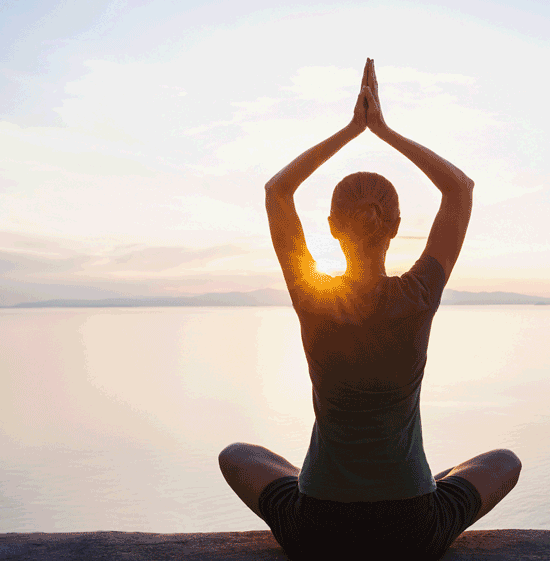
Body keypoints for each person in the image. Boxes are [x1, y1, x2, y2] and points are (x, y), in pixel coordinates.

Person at [219, 58, 521, 560]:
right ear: (397, 225)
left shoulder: (313, 297)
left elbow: (277, 192)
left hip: (319, 525)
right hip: (411, 527)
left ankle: (326, 483)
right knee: (503, 461)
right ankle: (424, 480)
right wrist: (384, 131)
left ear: (333, 227)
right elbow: (460, 190)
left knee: (238, 456)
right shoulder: (419, 295)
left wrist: (351, 130)